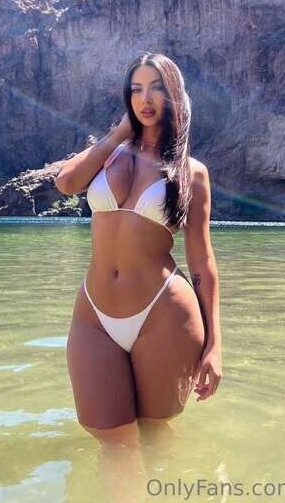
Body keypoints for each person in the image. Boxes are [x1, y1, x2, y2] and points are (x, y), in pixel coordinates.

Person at [56, 52, 221, 497]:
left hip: (163, 313)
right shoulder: (109, 155)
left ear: (174, 95)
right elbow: (66, 183)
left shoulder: (192, 173)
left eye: (156, 88)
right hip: (94, 315)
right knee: (111, 437)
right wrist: (118, 134)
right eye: (136, 89)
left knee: (154, 434)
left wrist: (215, 345)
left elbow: (202, 261)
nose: (145, 99)